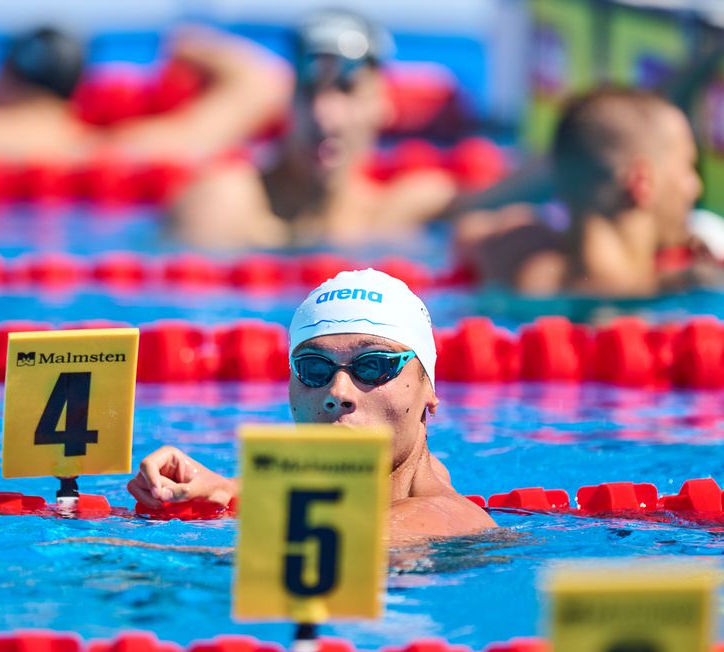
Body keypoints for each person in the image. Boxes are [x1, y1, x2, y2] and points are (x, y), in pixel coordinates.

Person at [127, 269, 494, 542]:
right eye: (314, 369)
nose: (338, 391)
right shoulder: (381, 485)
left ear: (429, 389)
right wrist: (220, 489)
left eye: (373, 366)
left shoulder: (441, 516)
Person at [171, 9, 458, 248]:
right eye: (309, 91)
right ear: (287, 102)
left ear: (383, 106)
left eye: (347, 89)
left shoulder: (401, 214)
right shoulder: (223, 205)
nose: (324, 115)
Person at [0, 25, 293, 163]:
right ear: (77, 86)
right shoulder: (118, 152)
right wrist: (195, 45)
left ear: (5, 75)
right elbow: (266, 83)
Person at [462, 87, 710, 298]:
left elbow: (469, 231)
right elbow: (625, 289)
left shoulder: (522, 256)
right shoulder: (652, 296)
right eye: (688, 167)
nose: (696, 186)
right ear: (641, 182)